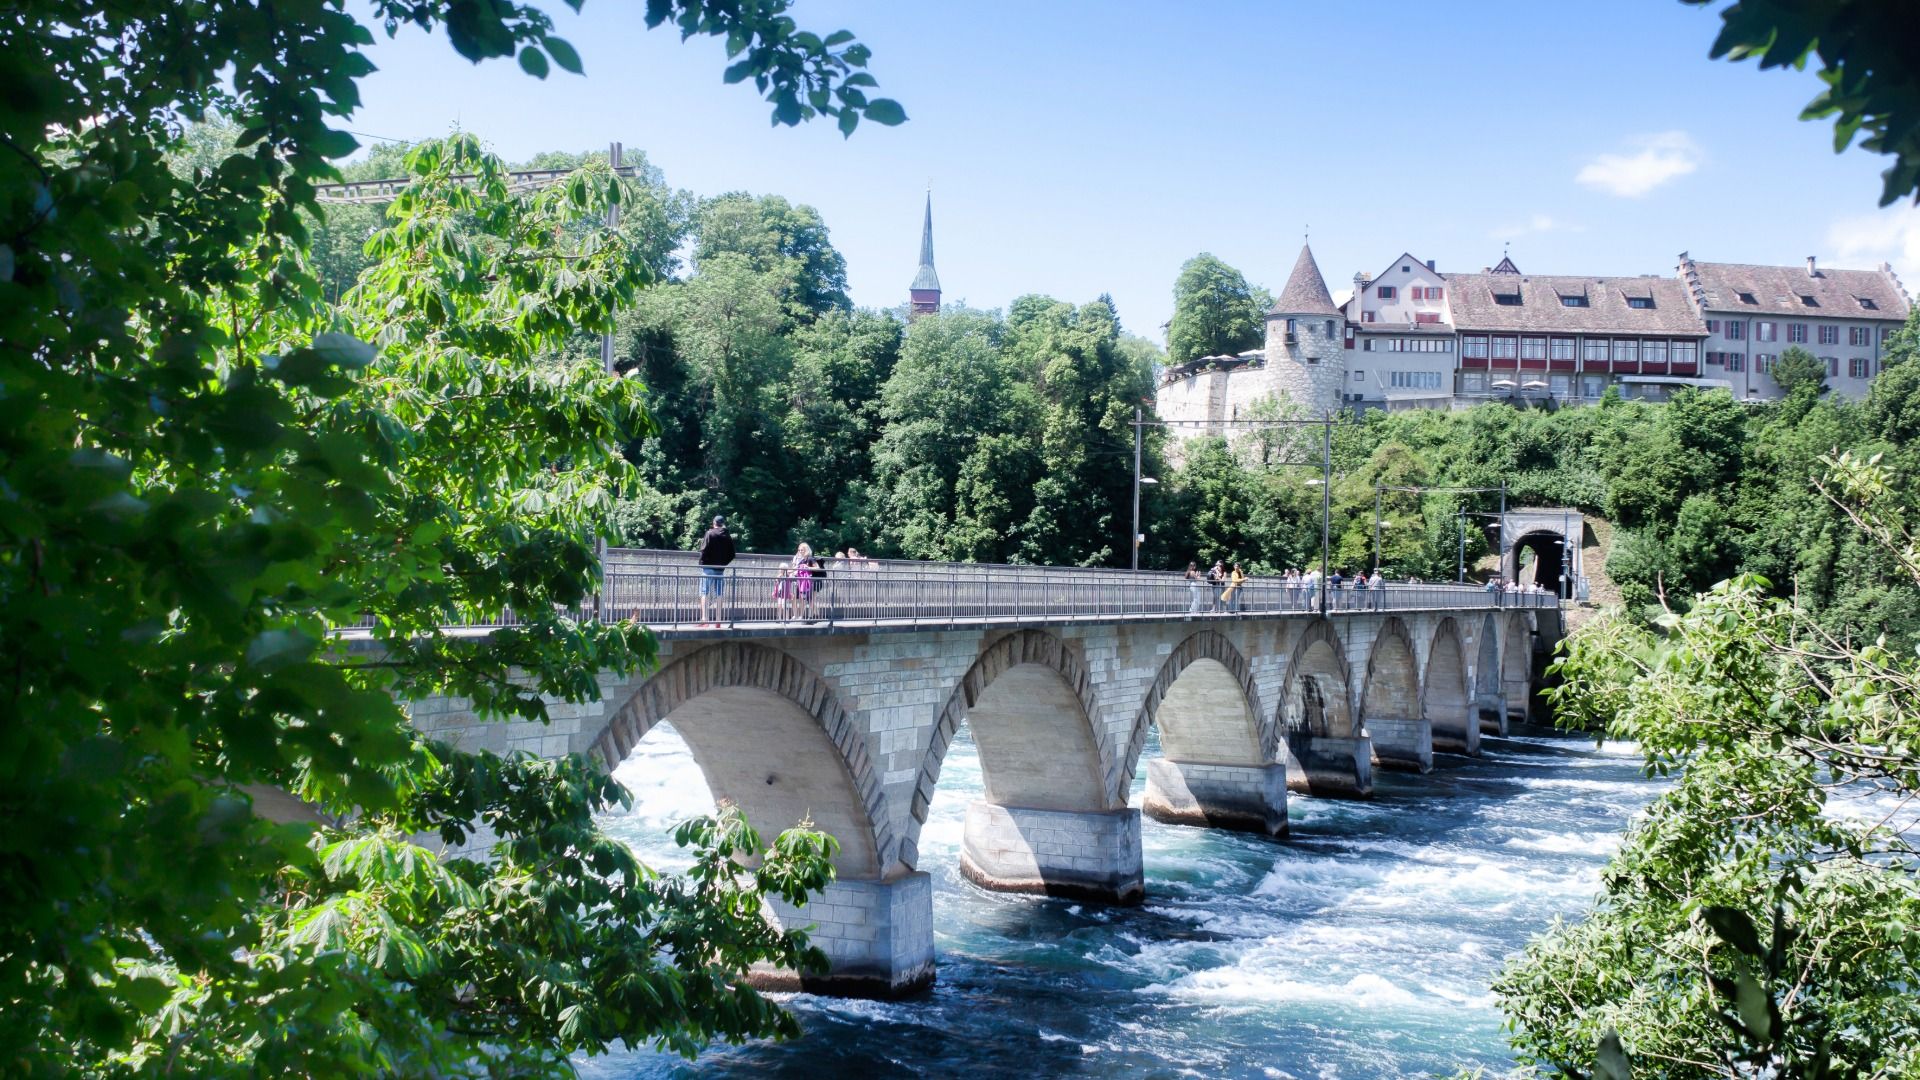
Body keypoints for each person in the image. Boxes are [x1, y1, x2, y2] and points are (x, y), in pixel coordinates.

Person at [695, 514, 735, 626]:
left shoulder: (709, 533)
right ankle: (718, 620)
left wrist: (702, 563)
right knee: (719, 594)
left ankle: (705, 620)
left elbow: (703, 550)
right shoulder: (727, 536)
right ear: (722, 524)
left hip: (708, 567)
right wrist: (723, 563)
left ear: (714, 523)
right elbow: (732, 554)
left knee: (704, 592)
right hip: (720, 569)